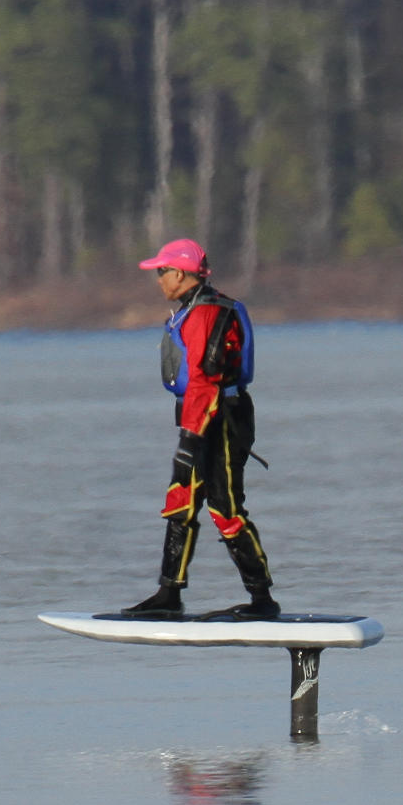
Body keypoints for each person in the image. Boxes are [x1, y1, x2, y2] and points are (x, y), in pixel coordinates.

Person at [123, 237, 279, 620]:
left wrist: (189, 440)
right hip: (198, 414)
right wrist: (189, 437)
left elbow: (206, 382)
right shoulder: (189, 310)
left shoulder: (207, 313)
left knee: (225, 508)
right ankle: (168, 594)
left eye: (162, 272)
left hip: (220, 417)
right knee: (181, 499)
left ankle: (262, 601)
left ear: (181, 273)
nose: (158, 279)